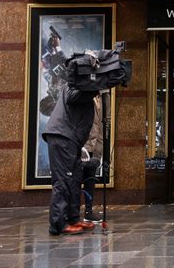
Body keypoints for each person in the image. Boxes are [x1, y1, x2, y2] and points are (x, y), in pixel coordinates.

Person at [42, 84, 99, 235]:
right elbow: (72, 97)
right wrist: (94, 87)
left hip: (71, 139)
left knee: (74, 180)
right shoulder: (76, 83)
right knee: (63, 181)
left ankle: (73, 219)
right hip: (63, 137)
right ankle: (59, 225)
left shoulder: (81, 85)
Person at [81, 95, 103, 223]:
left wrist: (98, 151)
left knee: (90, 180)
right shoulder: (84, 93)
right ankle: (71, 212)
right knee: (76, 179)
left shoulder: (103, 98)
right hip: (83, 145)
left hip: (95, 147)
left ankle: (88, 211)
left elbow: (102, 125)